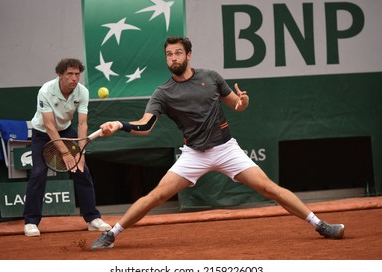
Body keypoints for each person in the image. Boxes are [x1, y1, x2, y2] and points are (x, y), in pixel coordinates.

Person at [90, 36, 345, 249]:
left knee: (269, 188)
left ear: (189, 55)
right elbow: (146, 125)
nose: (174, 58)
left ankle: (320, 225)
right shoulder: (163, 93)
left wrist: (242, 102)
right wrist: (119, 125)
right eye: (169, 54)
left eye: (178, 53)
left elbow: (236, 104)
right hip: (193, 154)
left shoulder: (211, 77)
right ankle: (112, 234)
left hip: (226, 149)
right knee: (156, 195)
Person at [23, 58, 111, 237]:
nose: (74, 78)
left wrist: (81, 152)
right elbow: (49, 125)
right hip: (42, 134)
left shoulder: (82, 92)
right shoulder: (46, 91)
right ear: (60, 75)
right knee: (38, 173)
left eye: (77, 74)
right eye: (69, 74)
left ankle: (92, 218)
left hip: (66, 131)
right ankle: (31, 222)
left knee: (82, 171)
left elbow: (82, 125)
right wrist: (65, 152)